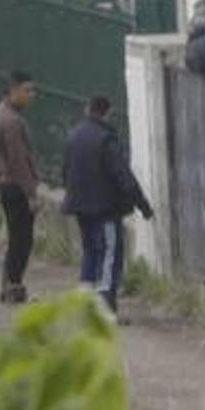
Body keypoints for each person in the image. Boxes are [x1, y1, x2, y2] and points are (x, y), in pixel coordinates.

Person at [62, 96, 153, 314]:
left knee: (90, 251)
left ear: (87, 109)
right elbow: (123, 176)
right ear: (107, 112)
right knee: (109, 254)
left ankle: (84, 301)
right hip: (105, 209)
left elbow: (65, 171)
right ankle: (105, 305)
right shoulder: (106, 140)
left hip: (80, 206)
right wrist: (143, 206)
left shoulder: (73, 135)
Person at [0, 70, 40, 304]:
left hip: (7, 183)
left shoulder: (1, 113)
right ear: (13, 90)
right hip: (15, 186)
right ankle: (13, 285)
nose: (32, 95)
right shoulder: (11, 121)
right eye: (27, 90)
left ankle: (9, 285)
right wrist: (30, 193)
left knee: (16, 237)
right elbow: (18, 161)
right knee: (22, 239)